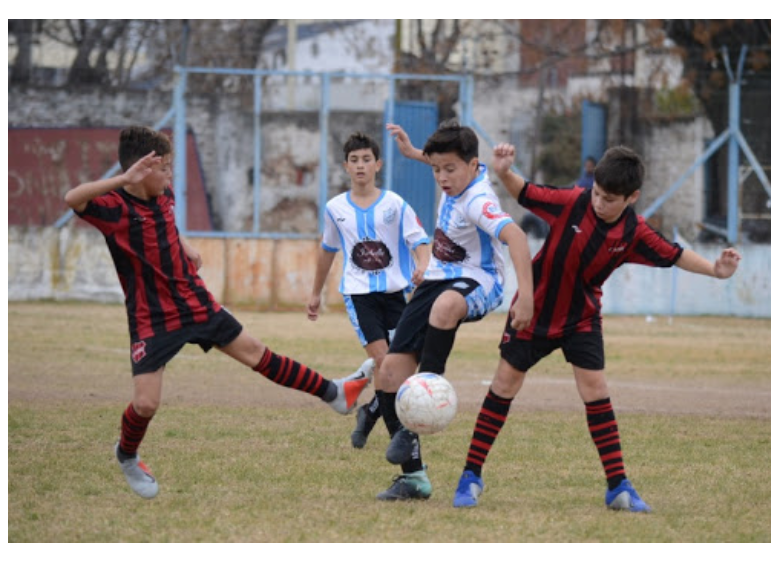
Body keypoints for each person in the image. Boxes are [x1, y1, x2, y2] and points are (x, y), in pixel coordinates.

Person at [64, 126, 375, 500]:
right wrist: (122, 179)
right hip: (153, 317)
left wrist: (185, 246)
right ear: (141, 171)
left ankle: (333, 393)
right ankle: (127, 454)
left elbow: (165, 225)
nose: (170, 176)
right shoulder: (114, 208)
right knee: (146, 403)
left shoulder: (164, 195)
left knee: (256, 353)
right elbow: (72, 198)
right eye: (163, 169)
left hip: (194, 301)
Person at [452, 143, 742, 512]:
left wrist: (716, 271)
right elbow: (525, 192)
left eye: (609, 199)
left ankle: (618, 486)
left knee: (596, 389)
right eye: (598, 193)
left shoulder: (634, 232)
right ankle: (471, 475)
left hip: (582, 319)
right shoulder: (573, 200)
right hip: (534, 311)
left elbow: (675, 254)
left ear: (632, 197)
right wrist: (506, 171)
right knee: (505, 384)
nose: (599, 203)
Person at [375, 121, 534, 501]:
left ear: (473, 165)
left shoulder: (478, 201)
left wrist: (525, 296)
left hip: (481, 280)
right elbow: (437, 159)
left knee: (447, 306)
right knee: (388, 373)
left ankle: (416, 419)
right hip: (438, 277)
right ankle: (414, 478)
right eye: (436, 170)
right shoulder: (456, 171)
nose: (442, 178)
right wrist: (414, 151)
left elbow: (517, 236)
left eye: (449, 169)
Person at [308, 132, 431, 450]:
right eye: (354, 160)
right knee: (384, 361)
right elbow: (327, 250)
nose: (360, 165)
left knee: (400, 366)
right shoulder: (335, 208)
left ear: (378, 164)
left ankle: (372, 409)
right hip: (360, 296)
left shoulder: (395, 204)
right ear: (345, 166)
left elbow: (419, 241)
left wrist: (423, 265)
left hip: (397, 295)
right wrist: (315, 292)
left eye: (366, 159)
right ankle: (401, 442)